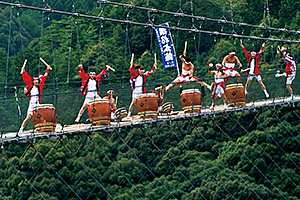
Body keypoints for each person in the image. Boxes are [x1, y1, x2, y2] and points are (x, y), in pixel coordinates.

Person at [19, 61, 51, 134]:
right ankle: (21, 129)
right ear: (33, 81)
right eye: (35, 80)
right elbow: (26, 78)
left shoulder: (40, 87)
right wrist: (23, 72)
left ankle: (45, 127)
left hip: (37, 103)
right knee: (28, 117)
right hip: (31, 103)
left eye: (37, 80)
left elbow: (44, 77)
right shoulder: (30, 86)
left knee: (42, 115)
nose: (36, 81)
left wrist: (47, 69)